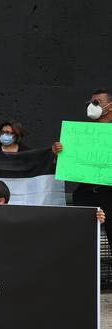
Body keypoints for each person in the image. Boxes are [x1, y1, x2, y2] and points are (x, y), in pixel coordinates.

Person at [52, 88, 110, 242]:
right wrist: (59, 151)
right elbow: (71, 161)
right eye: (90, 102)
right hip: (87, 193)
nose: (92, 105)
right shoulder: (81, 134)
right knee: (83, 239)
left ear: (110, 106)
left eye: (97, 102)